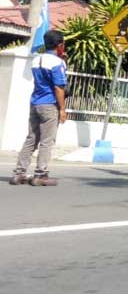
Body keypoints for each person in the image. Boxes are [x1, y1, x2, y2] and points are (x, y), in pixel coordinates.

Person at [11, 30, 68, 186]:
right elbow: (59, 87)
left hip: (35, 103)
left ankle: (19, 173)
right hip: (50, 105)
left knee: (31, 138)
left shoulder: (37, 60)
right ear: (60, 45)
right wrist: (62, 109)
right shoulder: (58, 63)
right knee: (47, 141)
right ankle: (40, 174)